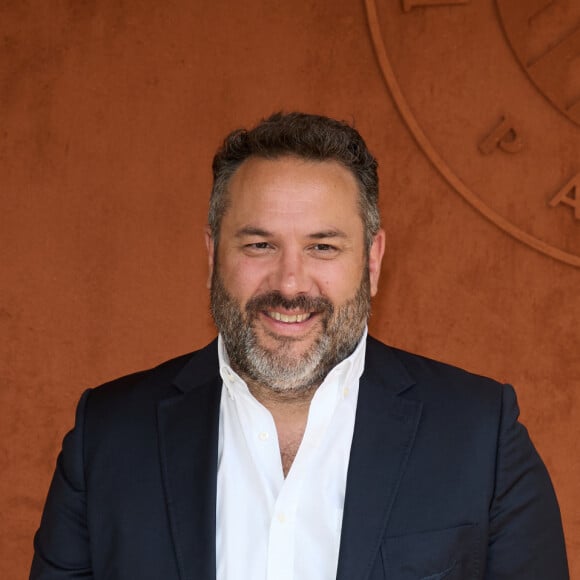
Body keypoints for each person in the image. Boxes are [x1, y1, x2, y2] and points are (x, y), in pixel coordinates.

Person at [31, 112, 569, 580]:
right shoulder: (106, 438)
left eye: (323, 246)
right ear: (213, 254)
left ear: (373, 260)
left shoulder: (482, 439)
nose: (290, 284)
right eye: (260, 244)